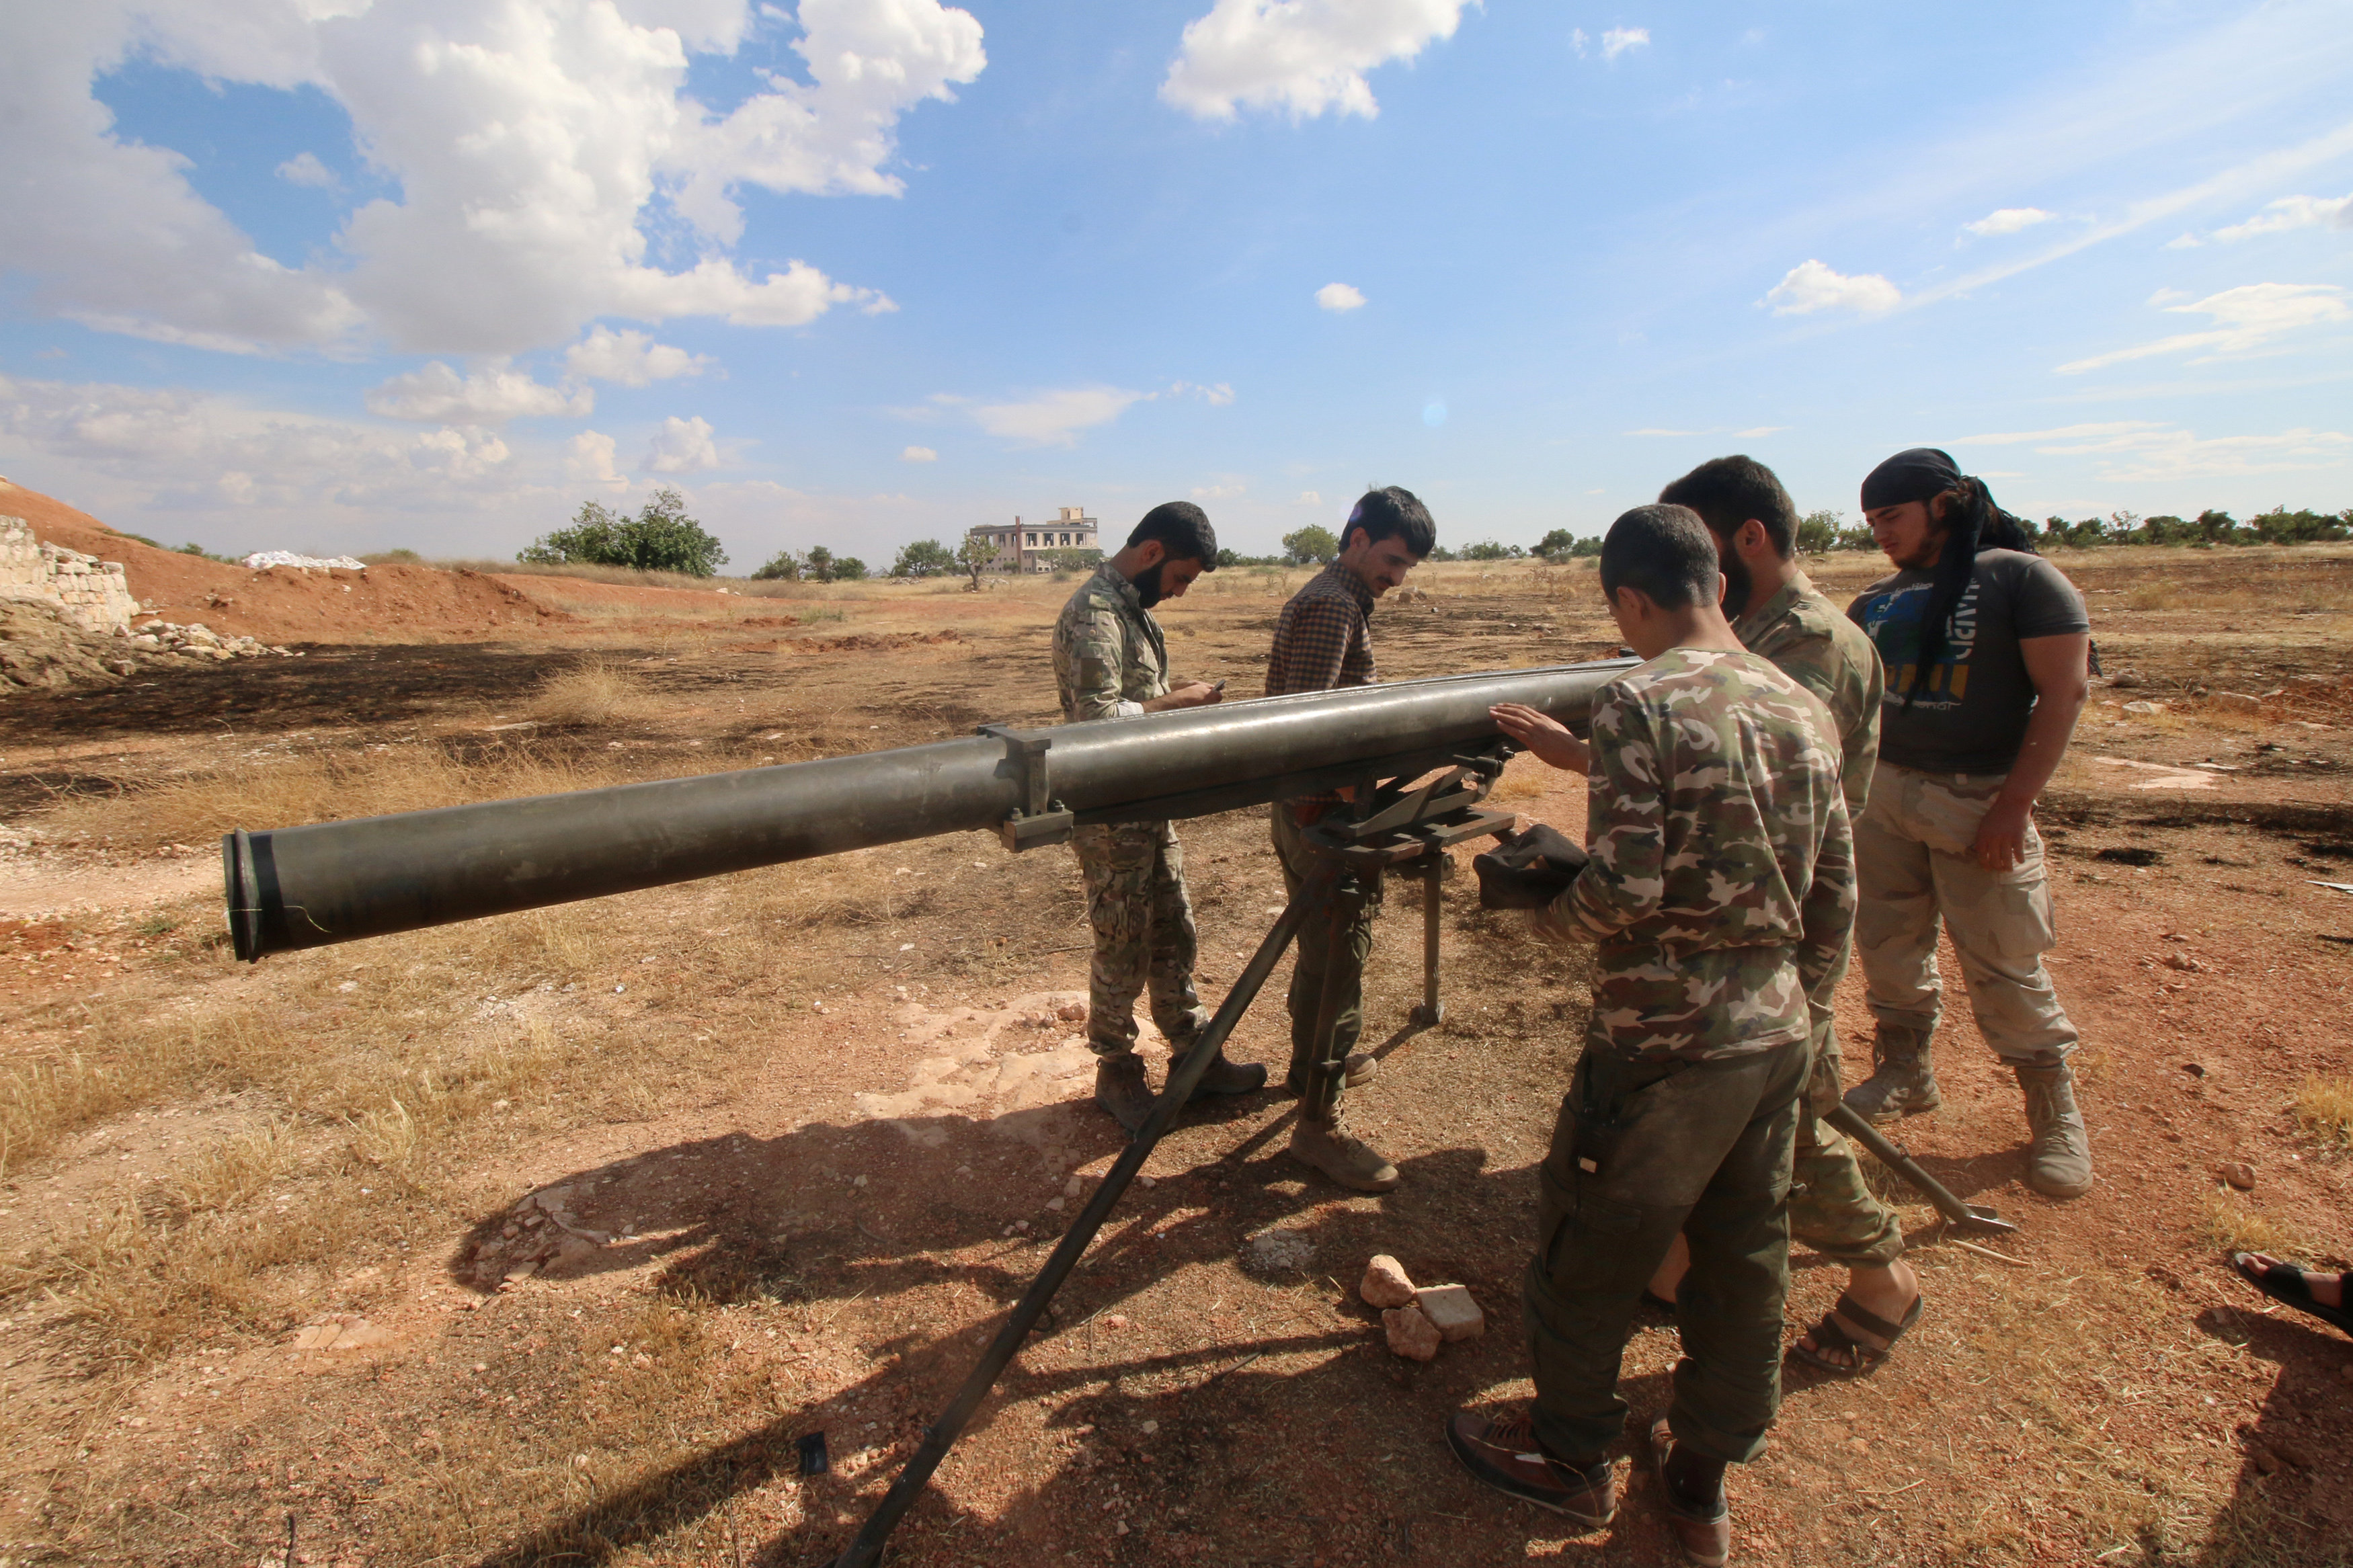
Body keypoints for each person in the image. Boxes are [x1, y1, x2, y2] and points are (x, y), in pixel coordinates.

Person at [1453, 505, 1853, 1566]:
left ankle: (1569, 1454)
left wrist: (1547, 914)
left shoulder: (1639, 698)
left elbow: (1625, 885)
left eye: (1621, 615)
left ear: (1633, 600)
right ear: (1717, 579)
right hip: (1772, 1033)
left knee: (1591, 1249)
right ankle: (1699, 1475)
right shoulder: (1803, 702)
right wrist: (1798, 1008)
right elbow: (1836, 891)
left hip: (1662, 1042)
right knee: (1745, 1254)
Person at [1648, 455, 1920, 1375]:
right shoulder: (1757, 629)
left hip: (1784, 925)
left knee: (1791, 1118)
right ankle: (1673, 1269)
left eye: (1702, 544)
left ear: (1750, 540)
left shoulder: (1813, 647)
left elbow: (1759, 790)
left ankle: (1884, 1284)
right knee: (1711, 1102)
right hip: (1741, 913)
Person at [1841, 448, 2095, 1200]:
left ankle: (2051, 1111)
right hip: (1882, 797)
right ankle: (1904, 1069)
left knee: (2004, 959)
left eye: (1891, 515)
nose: (1880, 532)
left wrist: (2012, 805)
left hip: (1977, 801)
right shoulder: (1874, 600)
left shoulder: (2021, 578)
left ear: (1944, 504)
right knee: (1886, 943)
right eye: (1871, 521)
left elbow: (2062, 692)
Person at [1052, 502, 1267, 1132]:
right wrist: (1177, 703)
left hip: (1149, 805)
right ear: (1151, 553)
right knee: (1122, 942)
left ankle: (1194, 1058)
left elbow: (1132, 702)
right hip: (1111, 813)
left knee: (1174, 929)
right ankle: (1116, 1070)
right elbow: (1093, 723)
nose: (1175, 593)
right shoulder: (1095, 614)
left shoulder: (1130, 612)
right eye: (1178, 578)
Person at [1263, 487, 1436, 1192]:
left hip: (1311, 811)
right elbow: (1302, 729)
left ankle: (1311, 1069)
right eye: (1391, 559)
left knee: (1322, 953)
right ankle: (1318, 1123)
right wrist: (1356, 798)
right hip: (1318, 817)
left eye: (1406, 567)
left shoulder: (1337, 599)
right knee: (1341, 960)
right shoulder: (1332, 604)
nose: (1396, 577)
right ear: (1356, 537)